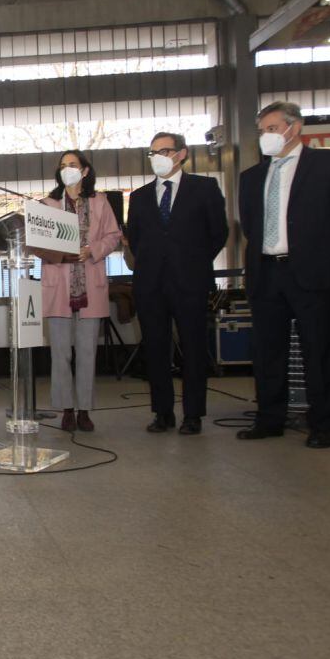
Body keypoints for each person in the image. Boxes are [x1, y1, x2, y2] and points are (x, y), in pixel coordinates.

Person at [237, 101, 330, 448]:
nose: (266, 136)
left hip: (311, 273)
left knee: (319, 350)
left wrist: (317, 251)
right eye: (262, 131)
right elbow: (250, 224)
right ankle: (270, 419)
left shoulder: (328, 165)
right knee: (268, 352)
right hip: (266, 273)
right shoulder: (252, 176)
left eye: (272, 129)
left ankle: (323, 424)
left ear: (296, 127)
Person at [126, 132, 227, 435]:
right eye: (153, 152)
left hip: (190, 281)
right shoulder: (140, 196)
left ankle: (193, 414)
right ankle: (163, 412)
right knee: (156, 349)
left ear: (181, 154)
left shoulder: (204, 188)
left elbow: (218, 233)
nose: (158, 156)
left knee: (194, 349)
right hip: (151, 284)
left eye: (165, 151)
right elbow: (136, 239)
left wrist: (192, 262)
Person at [36, 150, 121, 432]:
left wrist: (92, 250)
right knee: (60, 353)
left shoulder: (100, 202)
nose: (67, 169)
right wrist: (57, 253)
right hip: (58, 285)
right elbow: (35, 243)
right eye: (63, 166)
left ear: (85, 171)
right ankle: (66, 409)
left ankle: (85, 409)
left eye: (73, 165)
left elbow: (113, 235)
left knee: (87, 352)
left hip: (90, 285)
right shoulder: (47, 204)